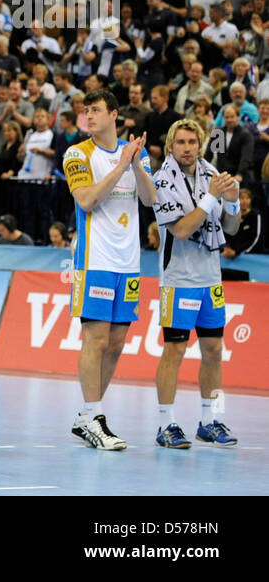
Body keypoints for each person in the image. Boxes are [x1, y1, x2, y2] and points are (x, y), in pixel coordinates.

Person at [63, 89, 156, 450]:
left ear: (114, 114)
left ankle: (88, 416)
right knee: (96, 339)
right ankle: (95, 415)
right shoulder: (77, 153)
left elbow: (149, 199)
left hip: (128, 261)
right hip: (95, 259)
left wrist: (134, 163)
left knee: (116, 343)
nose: (89, 116)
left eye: (96, 110)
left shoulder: (138, 154)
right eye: (86, 110)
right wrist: (120, 166)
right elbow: (86, 199)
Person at [152, 119, 240, 447]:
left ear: (200, 144)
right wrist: (211, 198)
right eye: (181, 142)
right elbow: (181, 230)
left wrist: (233, 201)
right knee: (175, 350)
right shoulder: (162, 180)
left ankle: (209, 419)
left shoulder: (211, 174)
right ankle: (166, 424)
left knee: (214, 350)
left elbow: (230, 228)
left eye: (192, 142)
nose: (187, 148)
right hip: (179, 281)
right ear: (171, 146)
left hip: (211, 279)